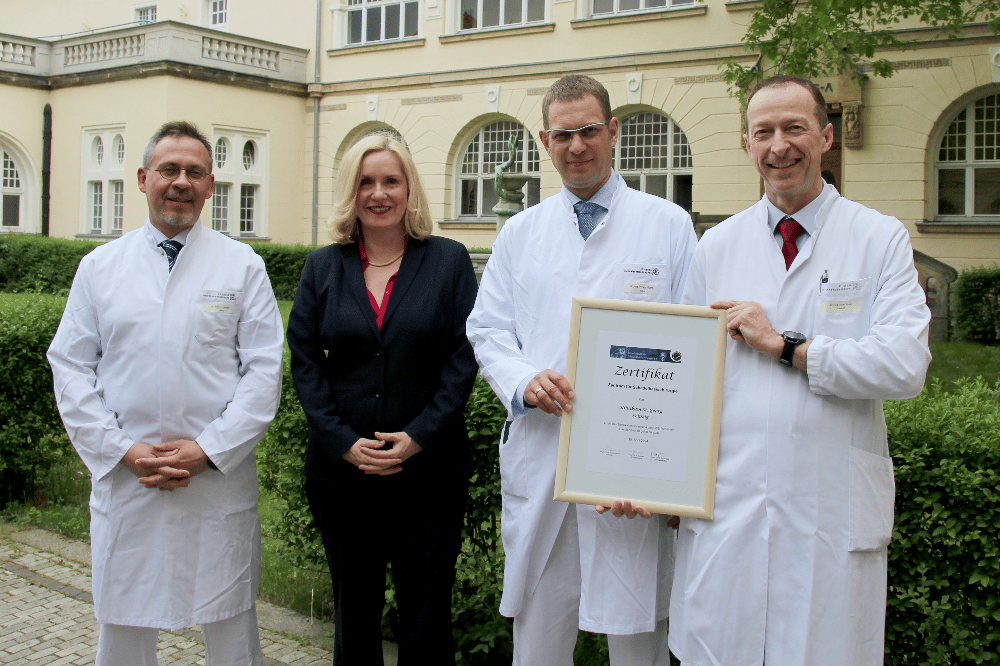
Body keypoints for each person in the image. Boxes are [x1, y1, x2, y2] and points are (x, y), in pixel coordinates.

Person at [666, 75, 932, 665]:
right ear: (746, 144)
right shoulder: (716, 246)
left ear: (827, 137)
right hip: (728, 508)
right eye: (764, 131)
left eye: (795, 128)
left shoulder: (878, 238)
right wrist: (645, 475)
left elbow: (904, 365)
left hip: (828, 507)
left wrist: (786, 347)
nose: (779, 145)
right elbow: (680, 380)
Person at [466, 74, 697, 666]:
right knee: (539, 634)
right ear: (546, 141)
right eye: (563, 134)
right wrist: (522, 380)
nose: (577, 145)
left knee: (636, 638)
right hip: (544, 452)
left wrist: (675, 473)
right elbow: (487, 330)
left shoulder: (667, 224)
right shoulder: (520, 234)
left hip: (634, 467)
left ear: (612, 131)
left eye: (589, 130)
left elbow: (695, 347)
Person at [47, 121, 284, 666]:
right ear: (142, 178)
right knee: (125, 627)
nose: (181, 182)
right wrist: (119, 450)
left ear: (210, 184)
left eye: (194, 172)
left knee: (230, 628)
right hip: (130, 479)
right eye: (169, 170)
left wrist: (209, 450)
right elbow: (71, 365)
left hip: (215, 483)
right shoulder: (99, 268)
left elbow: (264, 371)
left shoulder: (242, 266)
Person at [287, 134, 479, 665]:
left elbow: (464, 356)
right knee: (355, 607)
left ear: (409, 187)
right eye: (365, 182)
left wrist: (419, 436)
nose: (378, 193)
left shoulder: (448, 261)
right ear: (351, 193)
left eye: (390, 180)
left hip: (430, 471)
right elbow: (305, 361)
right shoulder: (324, 267)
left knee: (425, 608)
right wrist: (343, 442)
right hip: (344, 475)